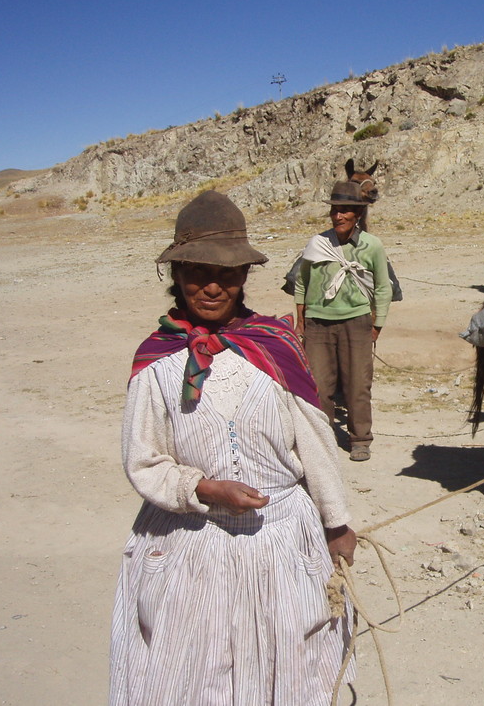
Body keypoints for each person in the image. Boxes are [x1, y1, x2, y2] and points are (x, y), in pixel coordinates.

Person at [110, 190, 357, 705]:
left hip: (281, 542)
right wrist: (201, 487)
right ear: (175, 276)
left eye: (228, 273)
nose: (213, 286)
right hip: (192, 544)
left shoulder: (276, 346)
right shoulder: (156, 363)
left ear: (245, 277)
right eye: (197, 272)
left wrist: (335, 522)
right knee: (193, 676)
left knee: (290, 664)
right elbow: (144, 459)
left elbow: (314, 442)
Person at [294, 181, 392, 462]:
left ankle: (360, 438)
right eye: (335, 211)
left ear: (357, 215)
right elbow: (302, 282)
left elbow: (383, 288)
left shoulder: (372, 246)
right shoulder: (317, 244)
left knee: (357, 384)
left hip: (357, 322)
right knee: (319, 386)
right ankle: (322, 438)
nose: (339, 216)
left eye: (345, 211)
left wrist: (377, 325)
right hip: (318, 323)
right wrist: (300, 320)